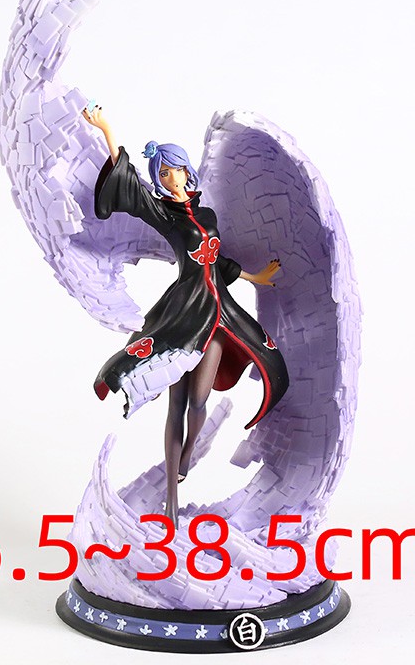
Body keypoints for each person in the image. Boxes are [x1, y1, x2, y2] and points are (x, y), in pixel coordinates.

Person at [83, 106, 289, 525]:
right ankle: (172, 501)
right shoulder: (166, 215)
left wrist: (255, 277)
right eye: (163, 174)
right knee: (176, 405)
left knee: (198, 401)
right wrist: (107, 130)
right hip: (184, 314)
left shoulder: (207, 216)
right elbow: (135, 191)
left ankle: (188, 451)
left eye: (175, 170)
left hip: (218, 313)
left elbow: (216, 261)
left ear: (186, 171)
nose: (171, 178)